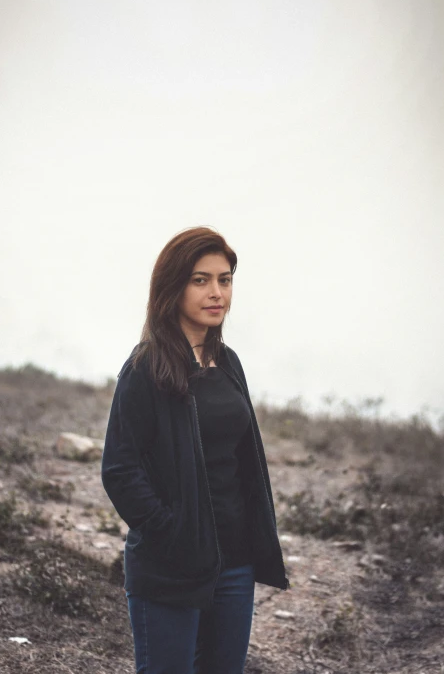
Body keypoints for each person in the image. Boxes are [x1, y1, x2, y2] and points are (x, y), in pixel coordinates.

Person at [101, 226, 289, 674]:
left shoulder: (228, 363)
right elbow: (120, 468)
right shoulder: (146, 366)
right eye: (200, 279)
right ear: (173, 287)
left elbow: (241, 460)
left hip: (235, 562)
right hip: (172, 563)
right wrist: (170, 531)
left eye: (224, 279)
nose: (216, 292)